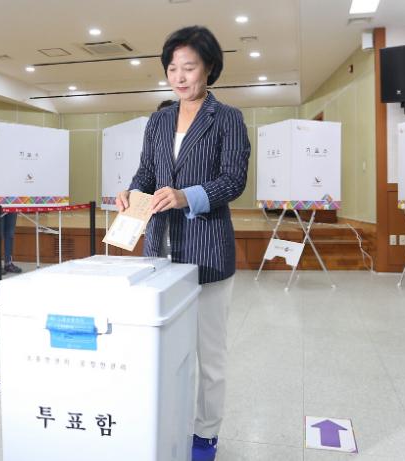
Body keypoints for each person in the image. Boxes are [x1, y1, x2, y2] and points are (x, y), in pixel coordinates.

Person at [116, 26, 250, 461]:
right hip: (159, 250)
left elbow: (233, 180)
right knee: (163, 346)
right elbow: (146, 174)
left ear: (209, 67)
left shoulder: (227, 118)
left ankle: (204, 435)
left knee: (209, 356)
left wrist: (186, 196)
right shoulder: (158, 120)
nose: (179, 76)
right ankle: (165, 422)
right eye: (172, 68)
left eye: (188, 67)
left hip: (206, 250)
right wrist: (130, 193)